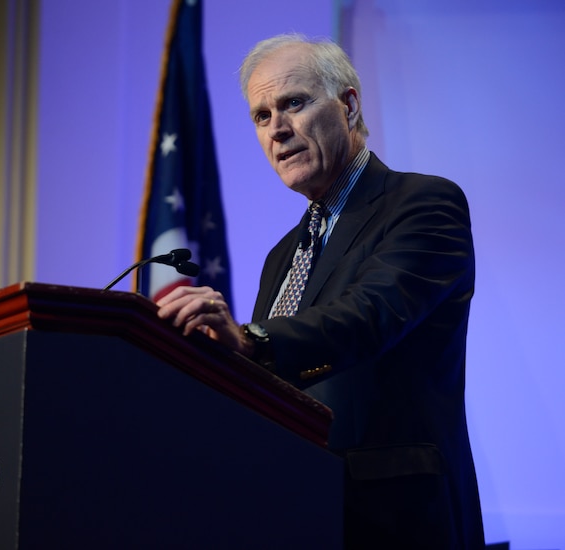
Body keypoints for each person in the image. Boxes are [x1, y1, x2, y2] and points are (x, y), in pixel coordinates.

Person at [156, 34, 485, 549]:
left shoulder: (423, 204)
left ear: (348, 105)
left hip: (393, 520)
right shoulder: (281, 256)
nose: (278, 130)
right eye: (261, 117)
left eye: (293, 103)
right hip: (292, 512)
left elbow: (368, 315)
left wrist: (252, 341)